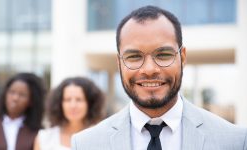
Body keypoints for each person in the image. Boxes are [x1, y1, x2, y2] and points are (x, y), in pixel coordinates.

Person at [71, 5, 247, 150]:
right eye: (134, 57)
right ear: (119, 63)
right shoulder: (86, 144)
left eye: (163, 54)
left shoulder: (234, 141)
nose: (149, 69)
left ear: (182, 57)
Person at [33, 77, 105, 150]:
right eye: (67, 100)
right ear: (59, 104)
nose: (73, 105)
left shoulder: (101, 139)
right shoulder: (44, 138)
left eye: (79, 99)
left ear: (90, 103)